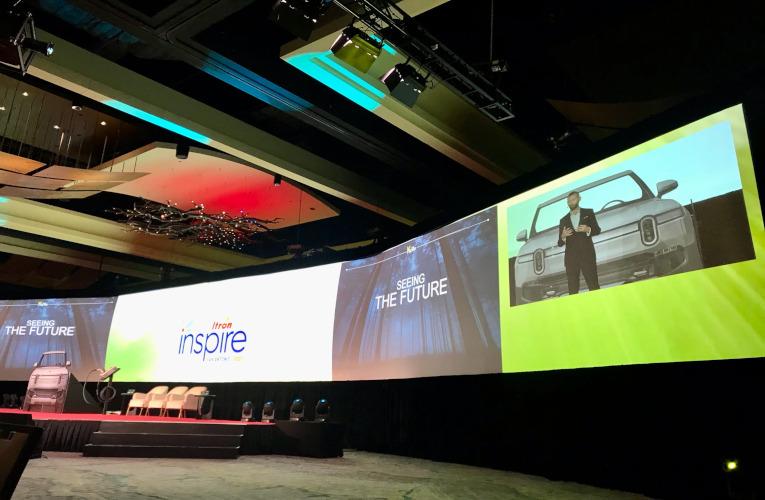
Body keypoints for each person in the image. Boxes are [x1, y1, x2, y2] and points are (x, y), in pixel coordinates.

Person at [557, 191, 601, 295]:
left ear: (579, 199)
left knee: (593, 285)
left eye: (573, 199)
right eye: (569, 201)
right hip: (571, 260)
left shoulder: (588, 213)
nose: (571, 202)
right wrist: (563, 236)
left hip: (587, 256)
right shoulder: (563, 220)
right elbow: (559, 243)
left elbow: (597, 230)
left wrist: (588, 229)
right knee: (573, 290)